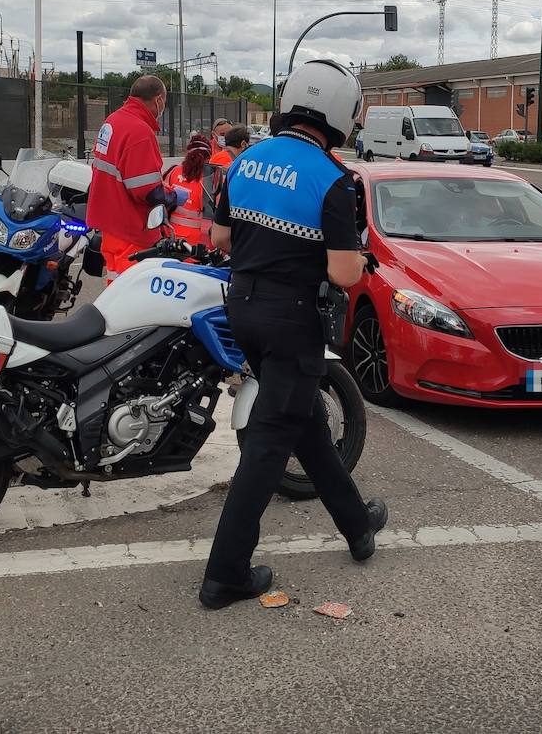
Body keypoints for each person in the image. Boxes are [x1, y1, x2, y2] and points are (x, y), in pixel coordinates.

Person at [199, 59, 387, 610]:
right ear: (338, 112)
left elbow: (218, 237)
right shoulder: (334, 179)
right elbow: (344, 273)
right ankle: (225, 573)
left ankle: (357, 524)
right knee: (266, 445)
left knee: (302, 420)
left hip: (244, 309)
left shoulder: (247, 159)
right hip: (293, 319)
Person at [86, 75, 187, 278]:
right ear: (158, 100)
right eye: (164, 102)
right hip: (131, 230)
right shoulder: (140, 131)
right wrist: (173, 196)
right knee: (132, 295)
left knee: (115, 286)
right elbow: (147, 190)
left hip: (110, 227)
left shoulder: (112, 121)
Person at [165, 134, 215, 249]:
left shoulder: (172, 172)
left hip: (171, 235)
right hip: (197, 242)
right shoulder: (208, 180)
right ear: (208, 158)